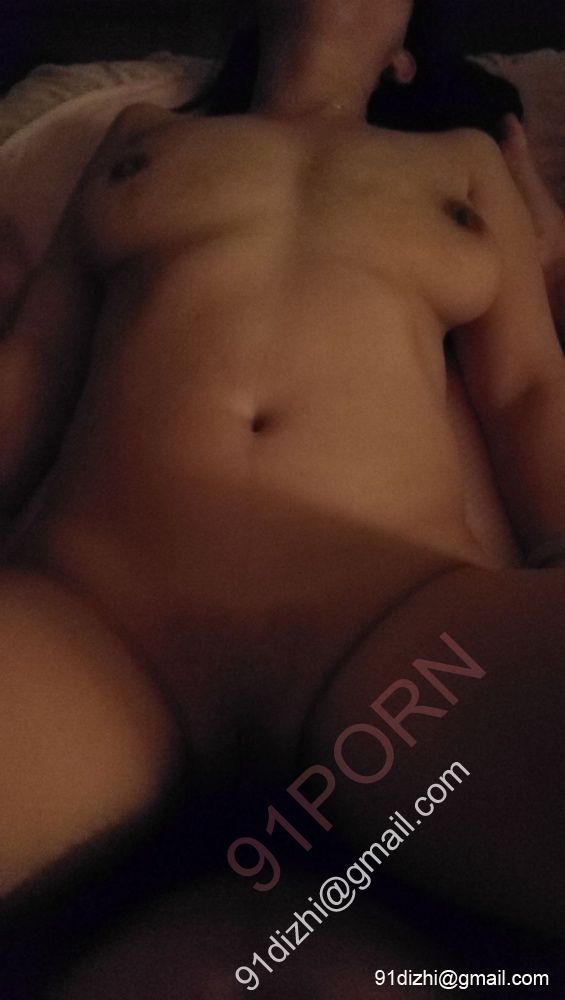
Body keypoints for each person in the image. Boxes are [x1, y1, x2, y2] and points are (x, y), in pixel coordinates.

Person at [1, 0, 564, 951]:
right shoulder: (140, 135)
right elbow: (37, 359)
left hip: (404, 640)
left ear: (402, 58)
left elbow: (527, 388)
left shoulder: (461, 159)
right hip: (96, 618)